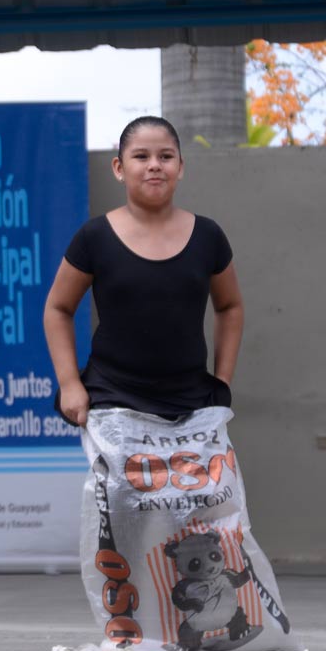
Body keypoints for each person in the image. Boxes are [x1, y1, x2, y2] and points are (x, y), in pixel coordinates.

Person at [43, 116, 243, 423]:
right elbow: (57, 308)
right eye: (141, 156)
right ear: (119, 168)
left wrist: (223, 381)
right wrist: (69, 384)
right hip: (111, 401)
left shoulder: (208, 236)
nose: (154, 165)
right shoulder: (93, 237)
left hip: (193, 405)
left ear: (181, 167)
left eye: (165, 156)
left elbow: (230, 307)